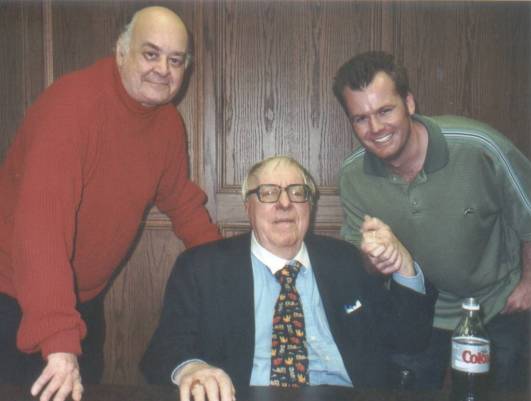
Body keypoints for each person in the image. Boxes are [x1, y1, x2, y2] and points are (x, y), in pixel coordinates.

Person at [0, 6, 221, 401]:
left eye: (175, 60)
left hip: (82, 298)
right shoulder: (71, 106)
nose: (162, 70)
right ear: (121, 52)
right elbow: (42, 230)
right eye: (150, 54)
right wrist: (57, 339)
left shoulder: (167, 123)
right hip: (13, 293)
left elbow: (180, 201)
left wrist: (227, 268)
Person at [140, 155, 436, 401]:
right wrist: (191, 369)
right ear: (248, 206)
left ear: (310, 205)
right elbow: (165, 348)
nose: (285, 204)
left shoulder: (346, 261)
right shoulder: (202, 267)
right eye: (268, 193)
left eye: (297, 192)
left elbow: (409, 340)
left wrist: (404, 265)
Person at [333, 51, 531, 391]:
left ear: (409, 103)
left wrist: (529, 282)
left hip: (496, 305)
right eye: (360, 118)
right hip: (419, 316)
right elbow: (360, 259)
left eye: (385, 110)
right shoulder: (352, 175)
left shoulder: (479, 147)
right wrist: (374, 257)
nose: (376, 128)